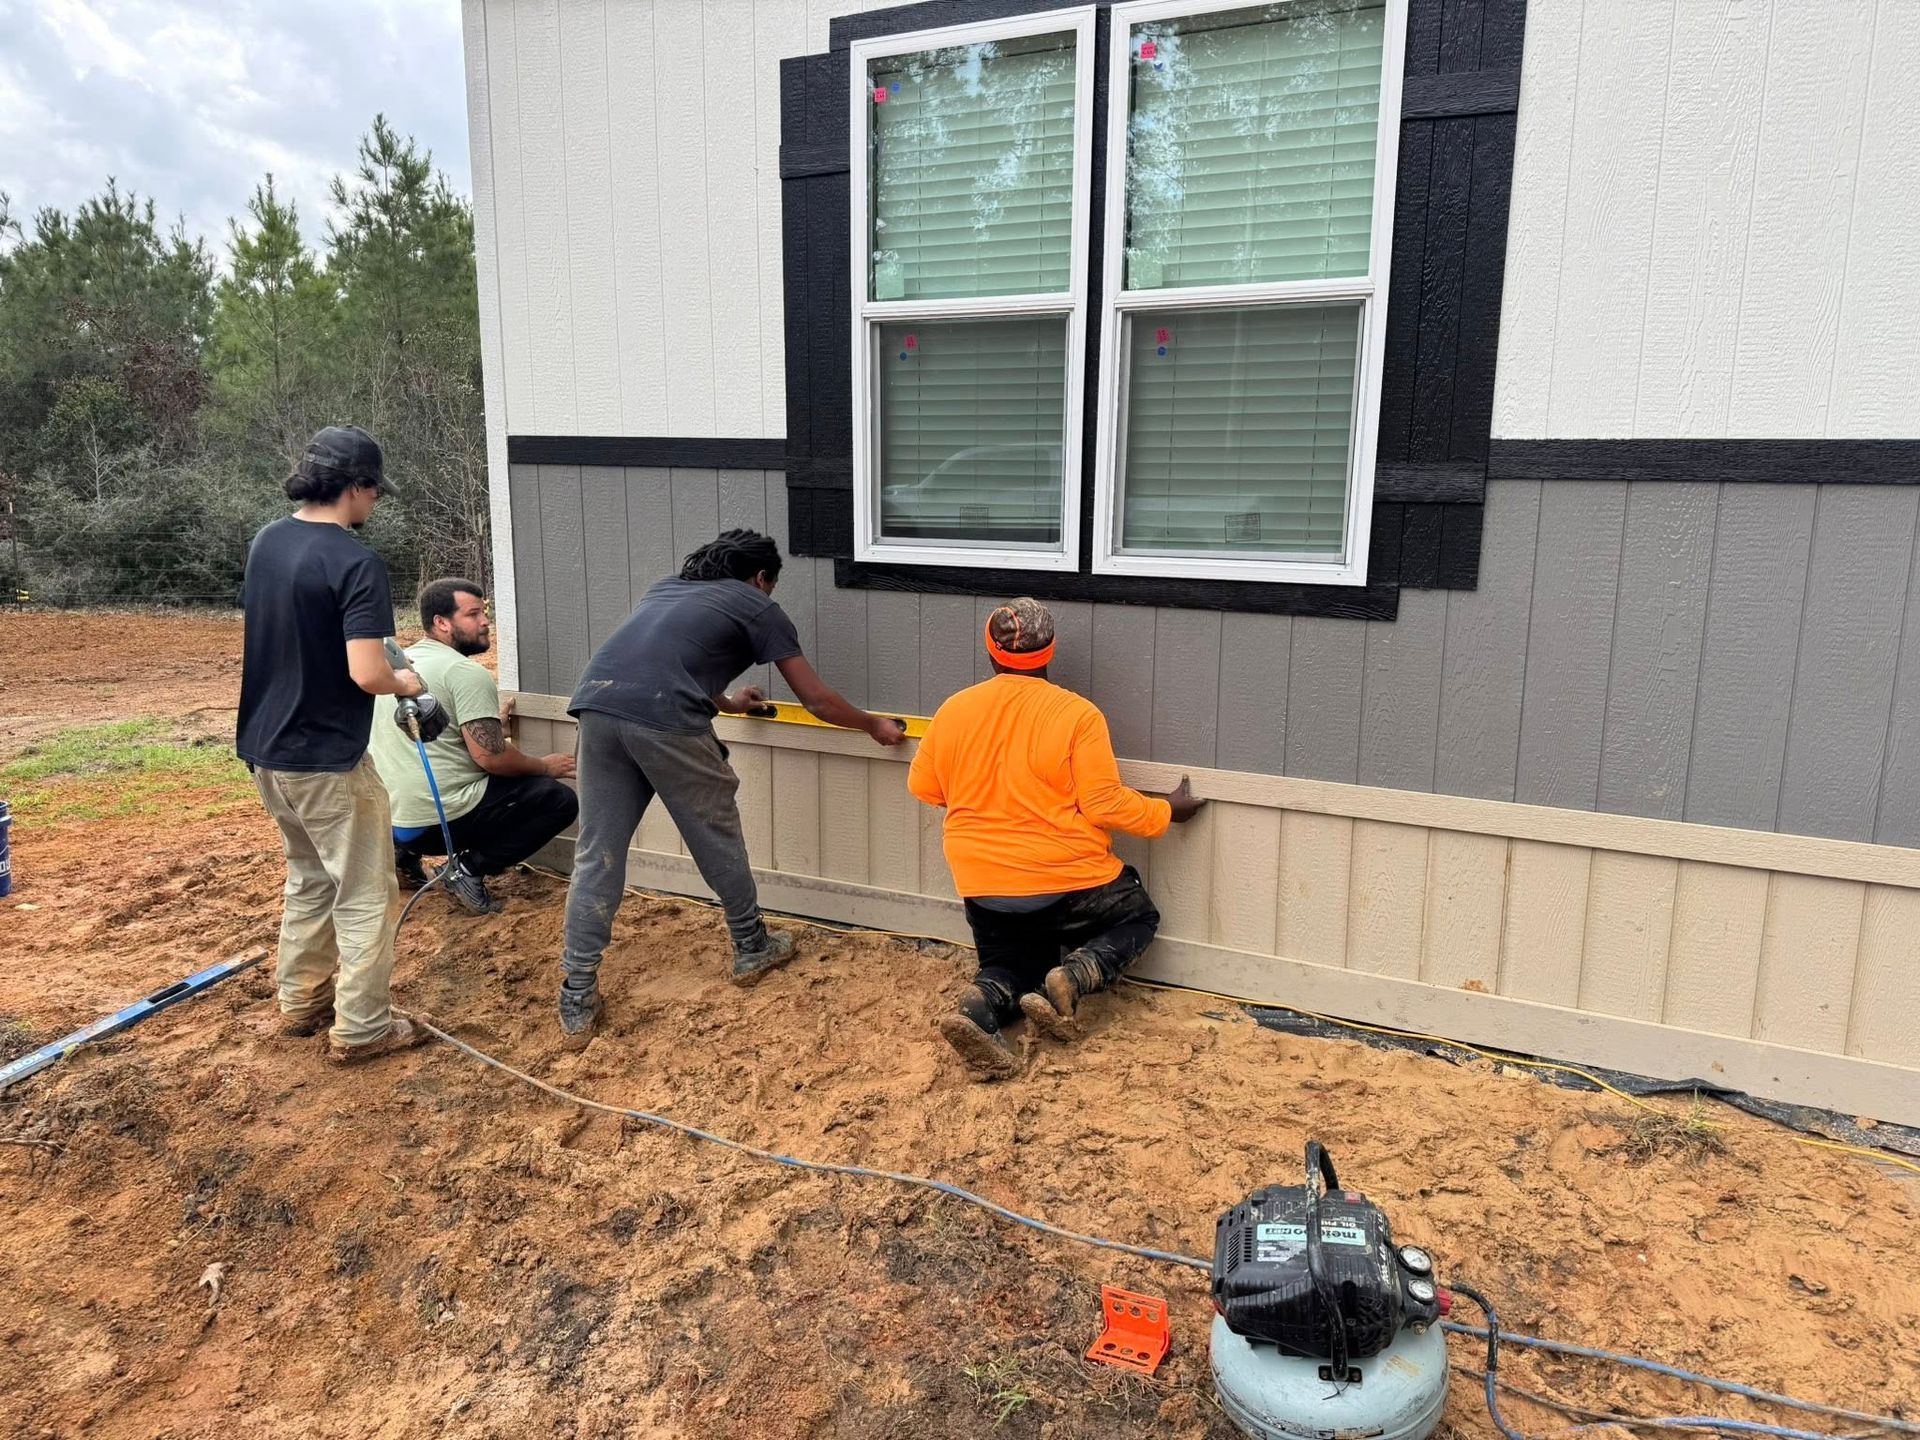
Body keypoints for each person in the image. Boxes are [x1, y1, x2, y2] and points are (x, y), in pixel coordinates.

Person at [556, 529, 907, 1048]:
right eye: (769, 584)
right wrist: (872, 725)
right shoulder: (758, 605)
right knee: (715, 836)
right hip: (666, 721)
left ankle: (577, 994)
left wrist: (728, 704)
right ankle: (752, 945)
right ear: (761, 577)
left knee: (597, 855)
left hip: (597, 706)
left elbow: (664, 661)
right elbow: (816, 701)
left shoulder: (667, 588)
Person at [907, 598, 1206, 1081]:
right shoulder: (1077, 715)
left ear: (990, 651)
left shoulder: (954, 710)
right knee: (1138, 916)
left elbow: (923, 786)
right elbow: (1104, 804)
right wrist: (1166, 811)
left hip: (984, 883)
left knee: (1012, 969)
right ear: (1049, 652)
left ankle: (978, 1004)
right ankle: (1076, 974)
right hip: (1068, 882)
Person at [236, 424, 440, 1065]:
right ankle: (363, 1028)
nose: (375, 503)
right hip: (328, 758)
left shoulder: (269, 541)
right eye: (374, 492)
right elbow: (368, 673)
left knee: (308, 879)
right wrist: (405, 679)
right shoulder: (355, 562)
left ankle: (301, 1001)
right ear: (356, 487)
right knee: (365, 895)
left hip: (267, 750)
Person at [369, 577, 579, 914]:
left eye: (485, 613)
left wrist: (492, 727)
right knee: (557, 800)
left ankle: (402, 856)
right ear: (442, 623)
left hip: (392, 818)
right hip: (437, 824)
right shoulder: (464, 672)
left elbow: (436, 737)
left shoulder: (398, 668)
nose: (485, 622)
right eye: (473, 614)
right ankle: (466, 871)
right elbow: (491, 758)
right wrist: (545, 766)